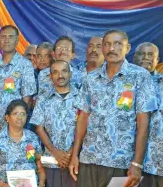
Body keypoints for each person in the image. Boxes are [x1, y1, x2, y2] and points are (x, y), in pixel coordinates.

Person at [68, 30, 158, 187]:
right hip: (89, 158)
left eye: (117, 44)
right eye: (107, 44)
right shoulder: (91, 79)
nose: (112, 48)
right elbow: (83, 118)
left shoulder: (140, 76)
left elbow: (143, 123)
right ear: (102, 48)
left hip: (121, 162)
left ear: (127, 48)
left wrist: (137, 164)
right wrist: (75, 155)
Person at [30, 60, 78, 187]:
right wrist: (55, 152)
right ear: (50, 76)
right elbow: (39, 128)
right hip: (51, 160)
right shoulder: (43, 98)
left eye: (64, 71)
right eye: (55, 72)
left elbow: (85, 126)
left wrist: (71, 153)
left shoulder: (81, 97)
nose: (60, 75)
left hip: (75, 160)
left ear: (70, 74)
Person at [0, 100, 45, 187]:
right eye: (15, 113)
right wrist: (1, 184)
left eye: (23, 114)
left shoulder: (33, 138)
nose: (19, 117)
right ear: (7, 118)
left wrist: (41, 182)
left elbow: (39, 162)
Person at [0, 25, 37, 136]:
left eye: (10, 37)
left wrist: (19, 125)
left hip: (14, 128)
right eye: (3, 37)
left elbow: (27, 100)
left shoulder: (25, 65)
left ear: (17, 40)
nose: (6, 40)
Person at [134, 42, 163, 186]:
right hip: (122, 159)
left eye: (151, 55)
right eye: (141, 53)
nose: (145, 57)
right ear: (134, 58)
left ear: (157, 60)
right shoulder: (121, 82)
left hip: (156, 163)